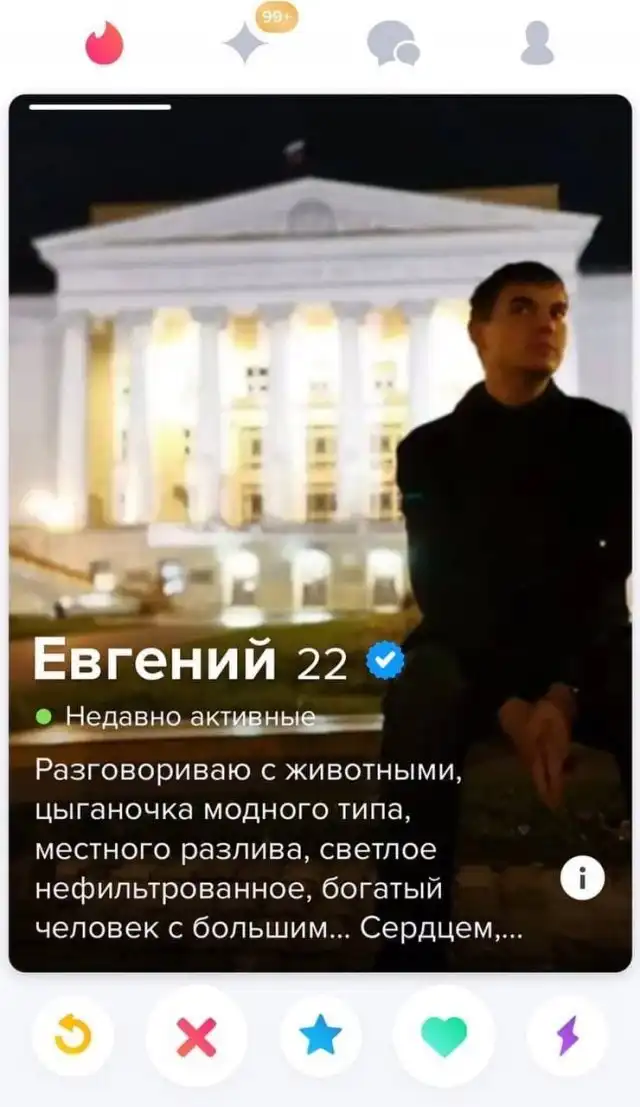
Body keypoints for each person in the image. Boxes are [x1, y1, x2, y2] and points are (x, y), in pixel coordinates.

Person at [375, 261, 631, 971]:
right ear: (478, 332)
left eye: (557, 310)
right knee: (422, 695)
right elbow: (443, 589)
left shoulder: (604, 436)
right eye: (522, 308)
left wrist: (563, 692)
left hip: (582, 652)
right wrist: (509, 705)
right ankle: (409, 950)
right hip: (466, 652)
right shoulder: (430, 450)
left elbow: (607, 573)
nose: (546, 324)